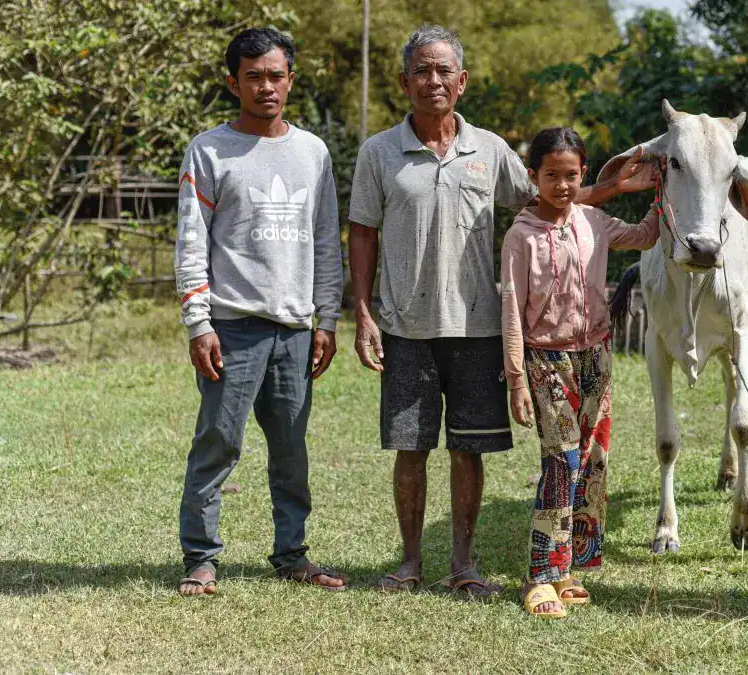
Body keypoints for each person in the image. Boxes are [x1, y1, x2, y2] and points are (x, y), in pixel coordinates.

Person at [348, 24, 653, 599]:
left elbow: (548, 196)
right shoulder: (379, 152)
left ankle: (464, 564)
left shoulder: (488, 150)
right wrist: (363, 313)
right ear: (403, 81)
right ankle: (409, 563)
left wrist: (610, 191)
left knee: (469, 447)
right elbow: (362, 232)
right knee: (410, 448)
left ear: (461, 82)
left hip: (478, 326)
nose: (432, 80)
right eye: (421, 70)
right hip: (404, 327)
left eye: (443, 71)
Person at [174, 28, 346, 596]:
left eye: (276, 75)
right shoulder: (208, 150)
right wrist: (199, 323)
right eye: (253, 76)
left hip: (295, 329)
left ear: (291, 80)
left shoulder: (313, 152)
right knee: (218, 442)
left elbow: (326, 240)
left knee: (291, 448)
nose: (266, 86)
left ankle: (292, 553)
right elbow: (191, 242)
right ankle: (201, 557)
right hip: (231, 327)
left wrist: (328, 319)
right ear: (233, 82)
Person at [501, 128, 658, 618]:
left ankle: (569, 568)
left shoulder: (595, 221)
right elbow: (511, 312)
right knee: (560, 462)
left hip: (597, 355)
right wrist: (516, 381)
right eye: (552, 175)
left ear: (583, 174)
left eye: (571, 175)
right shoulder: (521, 236)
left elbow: (646, 236)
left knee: (592, 461)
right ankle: (540, 576)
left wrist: (662, 190)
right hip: (547, 361)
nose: (563, 185)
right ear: (534, 177)